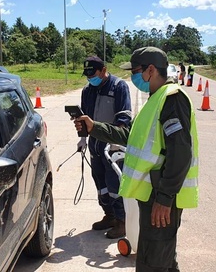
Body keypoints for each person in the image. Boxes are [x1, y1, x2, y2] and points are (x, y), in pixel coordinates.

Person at [74, 47, 199, 271]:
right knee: (163, 260)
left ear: (151, 70)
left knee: (152, 263)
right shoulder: (155, 99)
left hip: (160, 198)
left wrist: (165, 198)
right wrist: (95, 128)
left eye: (136, 71)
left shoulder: (172, 99)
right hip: (152, 195)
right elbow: (130, 138)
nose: (133, 77)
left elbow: (181, 152)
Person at [79, 55, 132, 239]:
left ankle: (122, 221)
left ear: (103, 70)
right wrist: (82, 138)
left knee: (114, 182)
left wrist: (117, 139)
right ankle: (109, 215)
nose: (89, 79)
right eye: (87, 75)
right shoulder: (87, 91)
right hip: (95, 143)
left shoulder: (119, 87)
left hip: (113, 144)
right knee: (100, 181)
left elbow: (124, 117)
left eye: (93, 74)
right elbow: (84, 117)